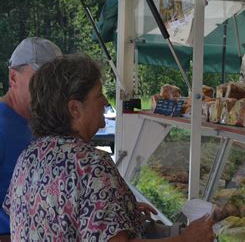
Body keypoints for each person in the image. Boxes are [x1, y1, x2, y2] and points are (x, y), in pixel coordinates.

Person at [3, 54, 214, 242]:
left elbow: (55, 215)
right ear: (74, 108)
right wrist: (187, 239)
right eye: (98, 94)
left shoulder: (28, 157)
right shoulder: (90, 164)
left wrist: (121, 210)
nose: (105, 101)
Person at [0, 37, 63, 238]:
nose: (50, 89)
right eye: (41, 79)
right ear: (13, 78)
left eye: (56, 82)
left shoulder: (43, 123)